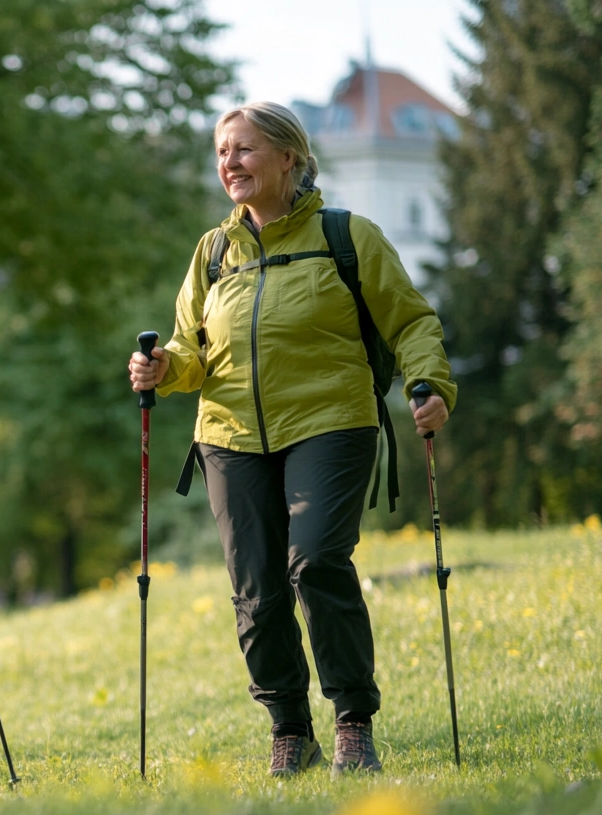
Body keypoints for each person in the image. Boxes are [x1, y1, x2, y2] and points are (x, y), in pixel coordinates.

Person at [128, 102, 456, 777]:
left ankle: (352, 722)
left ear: (290, 158)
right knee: (256, 588)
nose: (230, 163)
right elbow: (193, 352)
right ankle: (288, 728)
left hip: (330, 424)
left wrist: (429, 385)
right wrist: (163, 368)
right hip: (229, 436)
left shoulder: (347, 236)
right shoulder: (214, 252)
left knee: (314, 561)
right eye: (222, 152)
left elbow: (412, 321)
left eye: (244, 149)